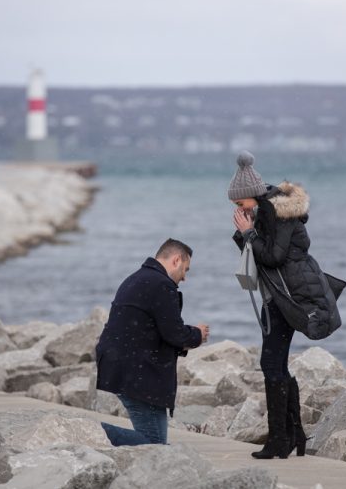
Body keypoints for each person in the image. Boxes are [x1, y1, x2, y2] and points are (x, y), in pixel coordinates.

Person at [228, 151, 312, 459]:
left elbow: (274, 256)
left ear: (252, 195)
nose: (239, 208)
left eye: (240, 203)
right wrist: (244, 233)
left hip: (285, 297)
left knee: (271, 365)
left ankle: (280, 439)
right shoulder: (264, 212)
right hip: (273, 296)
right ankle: (293, 434)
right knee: (275, 365)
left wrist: (248, 232)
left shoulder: (279, 212)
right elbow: (256, 253)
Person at [95, 238, 210, 446]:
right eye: (186, 269)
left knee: (153, 442)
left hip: (124, 366)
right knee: (153, 444)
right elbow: (174, 333)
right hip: (137, 372)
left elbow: (155, 331)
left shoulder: (138, 278)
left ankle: (90, 433)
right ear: (176, 260)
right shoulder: (161, 284)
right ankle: (90, 433)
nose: (185, 278)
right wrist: (197, 335)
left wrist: (186, 338)